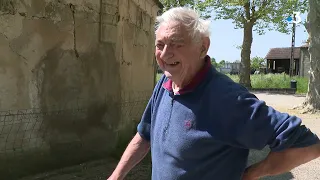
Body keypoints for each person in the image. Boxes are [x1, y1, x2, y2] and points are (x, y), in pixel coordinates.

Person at [108, 7, 320, 180]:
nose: (164, 54)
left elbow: (308, 144)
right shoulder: (165, 82)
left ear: (203, 47)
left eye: (176, 44)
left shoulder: (228, 99)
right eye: (160, 45)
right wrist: (116, 176)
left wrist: (252, 174)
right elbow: (144, 135)